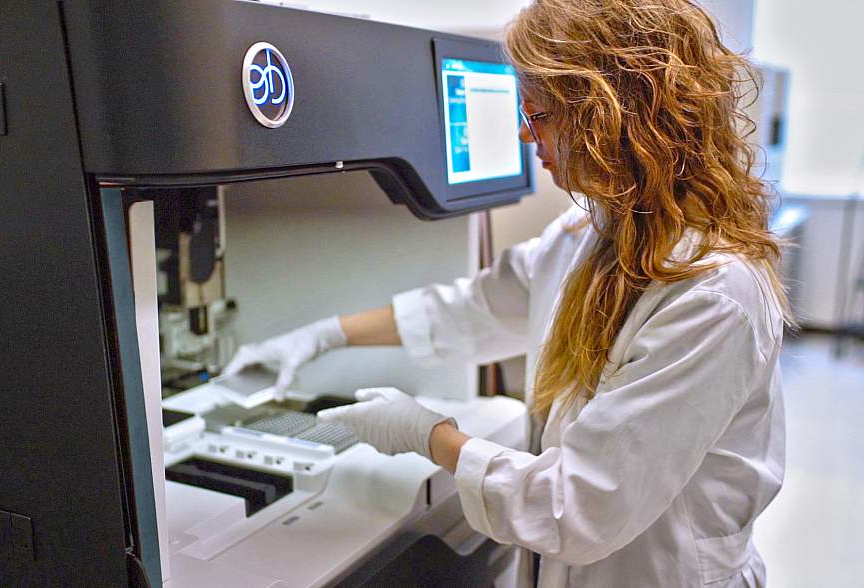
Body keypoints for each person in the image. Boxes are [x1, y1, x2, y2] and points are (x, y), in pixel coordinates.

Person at [223, 0, 790, 585]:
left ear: (608, 118)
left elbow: (580, 507)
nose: (524, 133)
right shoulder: (588, 237)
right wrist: (325, 334)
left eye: (538, 113)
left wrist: (427, 435)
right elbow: (474, 308)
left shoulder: (713, 295)